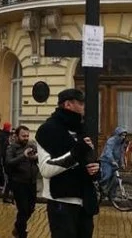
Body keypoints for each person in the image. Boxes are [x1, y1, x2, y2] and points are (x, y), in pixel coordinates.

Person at [36, 88, 100, 238]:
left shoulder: (81, 128)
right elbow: (45, 169)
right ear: (68, 105)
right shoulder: (47, 130)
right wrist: (76, 153)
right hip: (61, 201)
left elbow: (88, 158)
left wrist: (97, 167)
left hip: (85, 201)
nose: (84, 106)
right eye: (81, 103)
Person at [6, 126, 39, 238]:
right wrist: (23, 156)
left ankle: (18, 226)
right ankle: (21, 233)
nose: (26, 138)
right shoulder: (12, 148)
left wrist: (36, 157)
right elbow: (9, 162)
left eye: (27, 136)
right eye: (23, 136)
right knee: (23, 209)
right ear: (17, 136)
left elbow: (39, 158)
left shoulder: (32, 145)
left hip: (32, 182)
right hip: (19, 183)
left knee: (31, 208)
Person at [99, 126, 128, 198]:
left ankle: (112, 196)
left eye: (124, 135)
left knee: (115, 180)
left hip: (115, 162)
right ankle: (100, 189)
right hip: (106, 161)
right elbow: (108, 152)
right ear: (117, 134)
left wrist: (122, 163)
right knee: (107, 176)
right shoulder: (111, 140)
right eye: (122, 135)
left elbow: (121, 153)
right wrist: (112, 160)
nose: (123, 137)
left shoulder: (122, 143)